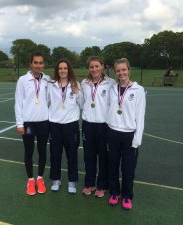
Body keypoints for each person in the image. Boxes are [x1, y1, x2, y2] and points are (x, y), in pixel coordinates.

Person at [106, 58, 146, 210]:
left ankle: (127, 196)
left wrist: (137, 140)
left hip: (130, 135)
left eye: (124, 69)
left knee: (128, 169)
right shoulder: (113, 89)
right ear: (115, 73)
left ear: (129, 70)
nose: (121, 73)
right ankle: (114, 193)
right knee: (112, 165)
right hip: (113, 132)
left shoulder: (138, 90)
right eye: (118, 70)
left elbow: (140, 116)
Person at [14, 51, 51, 196]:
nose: (38, 65)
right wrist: (19, 124)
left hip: (44, 122)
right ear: (30, 64)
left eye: (40, 63)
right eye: (35, 62)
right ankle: (30, 180)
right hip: (28, 123)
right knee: (29, 152)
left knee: (42, 152)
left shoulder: (47, 79)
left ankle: (40, 178)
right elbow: (18, 103)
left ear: (43, 64)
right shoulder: (23, 80)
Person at [81, 56, 116, 198]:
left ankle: (102, 185)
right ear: (88, 68)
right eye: (91, 67)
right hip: (88, 124)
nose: (94, 69)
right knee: (89, 157)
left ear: (102, 66)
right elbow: (82, 102)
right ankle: (90, 184)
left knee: (103, 157)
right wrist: (89, 112)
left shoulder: (111, 83)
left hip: (104, 125)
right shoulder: (84, 83)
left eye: (97, 66)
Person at [47, 58, 82, 194]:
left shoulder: (75, 85)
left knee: (71, 155)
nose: (63, 70)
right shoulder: (51, 85)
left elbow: (81, 102)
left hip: (71, 126)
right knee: (55, 155)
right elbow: (48, 102)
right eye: (60, 68)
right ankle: (56, 180)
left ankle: (72, 182)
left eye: (65, 68)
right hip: (54, 125)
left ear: (69, 70)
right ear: (57, 70)